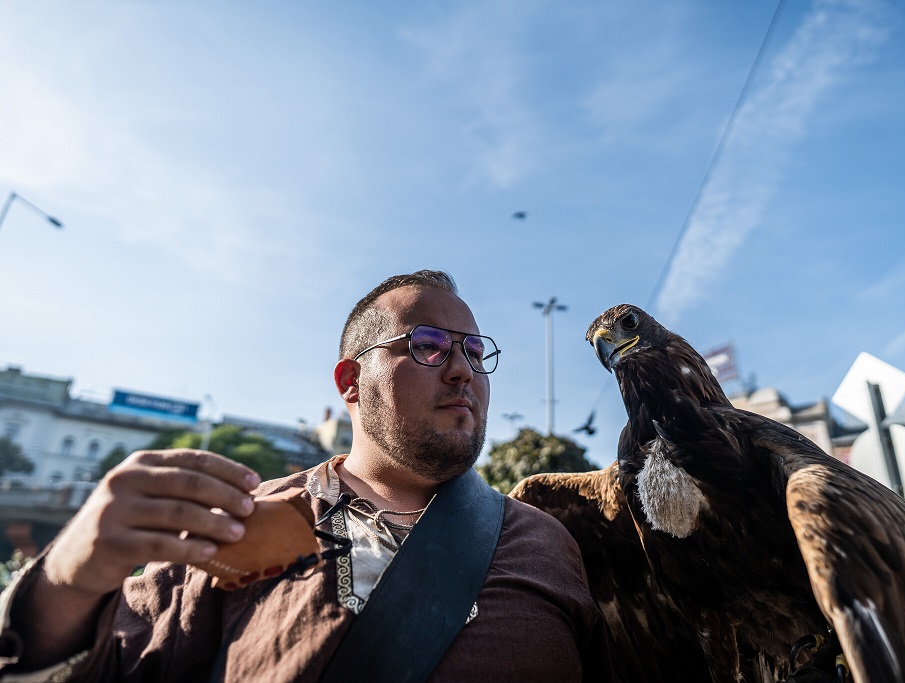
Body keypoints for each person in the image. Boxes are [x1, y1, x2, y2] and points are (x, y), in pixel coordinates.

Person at [0, 270, 613, 682]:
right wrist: (70, 578)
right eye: (427, 345)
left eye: (475, 352)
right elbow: (108, 666)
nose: (463, 371)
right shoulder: (238, 521)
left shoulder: (548, 541)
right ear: (349, 382)